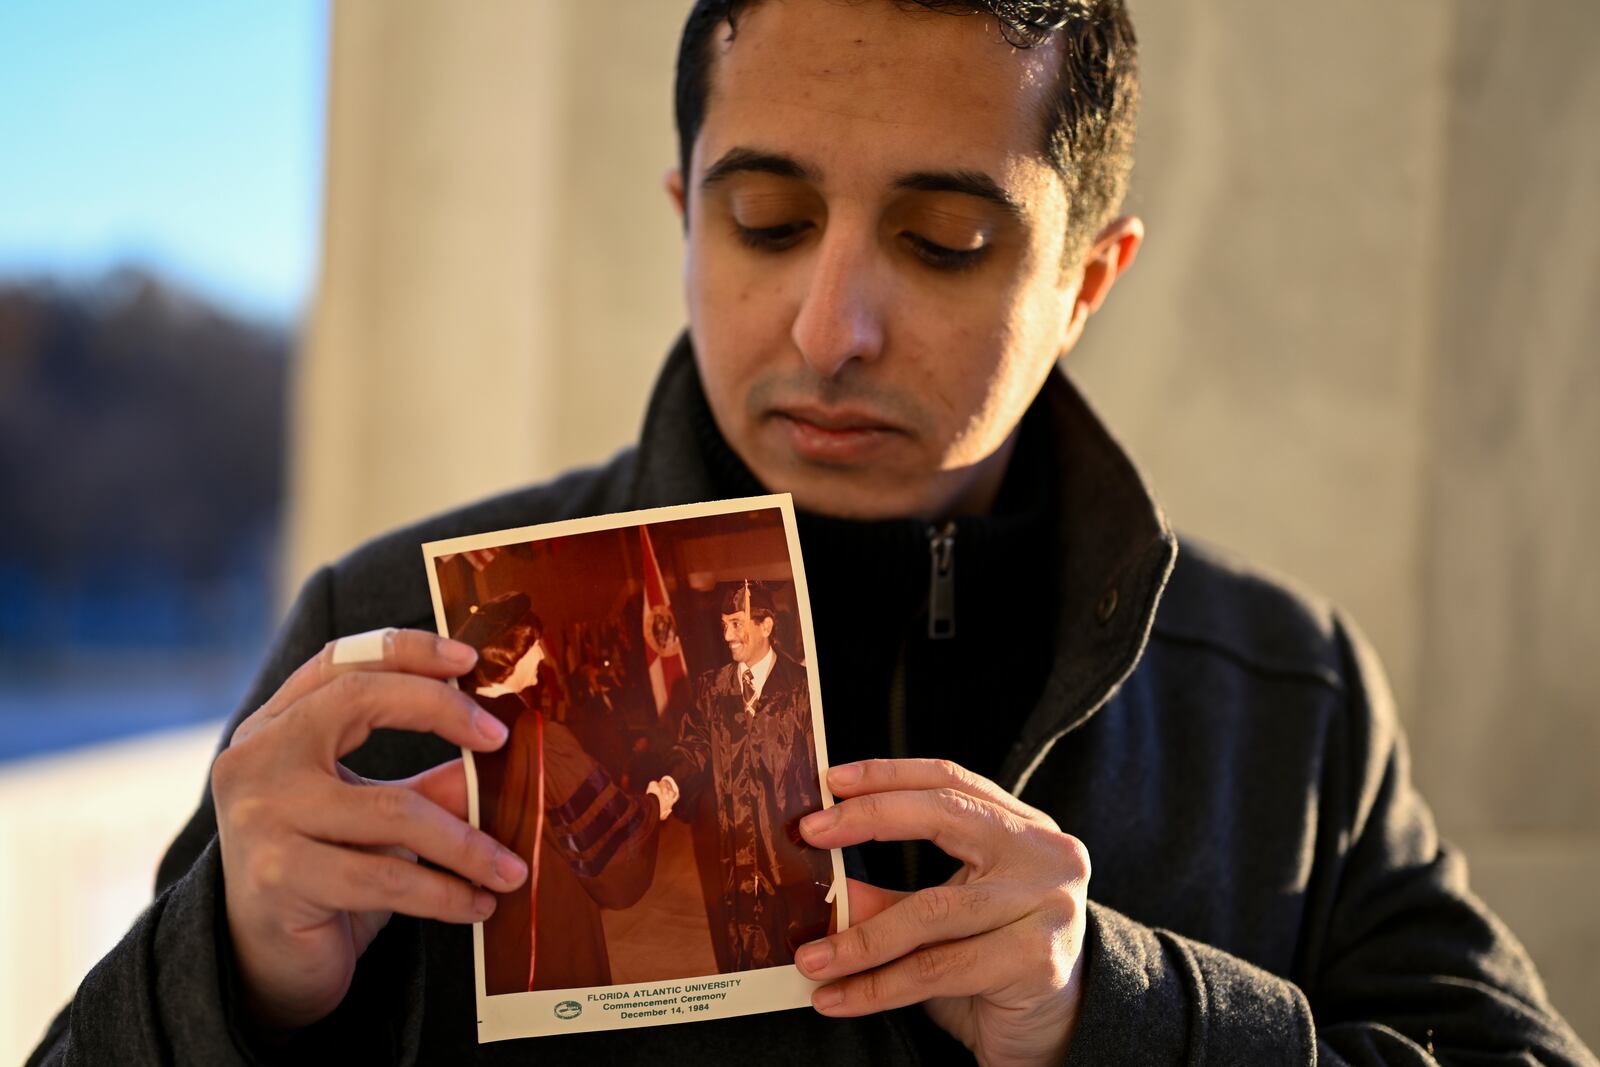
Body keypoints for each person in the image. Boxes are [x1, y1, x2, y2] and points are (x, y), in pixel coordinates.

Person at [27, 1, 1598, 1064]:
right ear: (683, 208)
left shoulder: (1280, 688)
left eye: (945, 239)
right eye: (766, 221)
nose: (834, 322)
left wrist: (1116, 1013)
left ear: (1086, 282)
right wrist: (234, 972)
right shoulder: (391, 629)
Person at [454, 592, 668, 994]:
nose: (542, 657)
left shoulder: (457, 723)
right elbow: (605, 825)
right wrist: (654, 805)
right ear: (511, 654)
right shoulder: (538, 737)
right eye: (535, 645)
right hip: (544, 907)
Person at [652, 581, 834, 973]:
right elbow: (693, 746)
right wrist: (672, 780)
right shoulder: (711, 689)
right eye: (723, 625)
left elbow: (823, 771)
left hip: (790, 848)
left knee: (795, 942)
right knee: (744, 945)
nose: (728, 635)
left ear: (766, 626)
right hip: (735, 847)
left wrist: (834, 853)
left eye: (737, 624)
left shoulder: (801, 689)